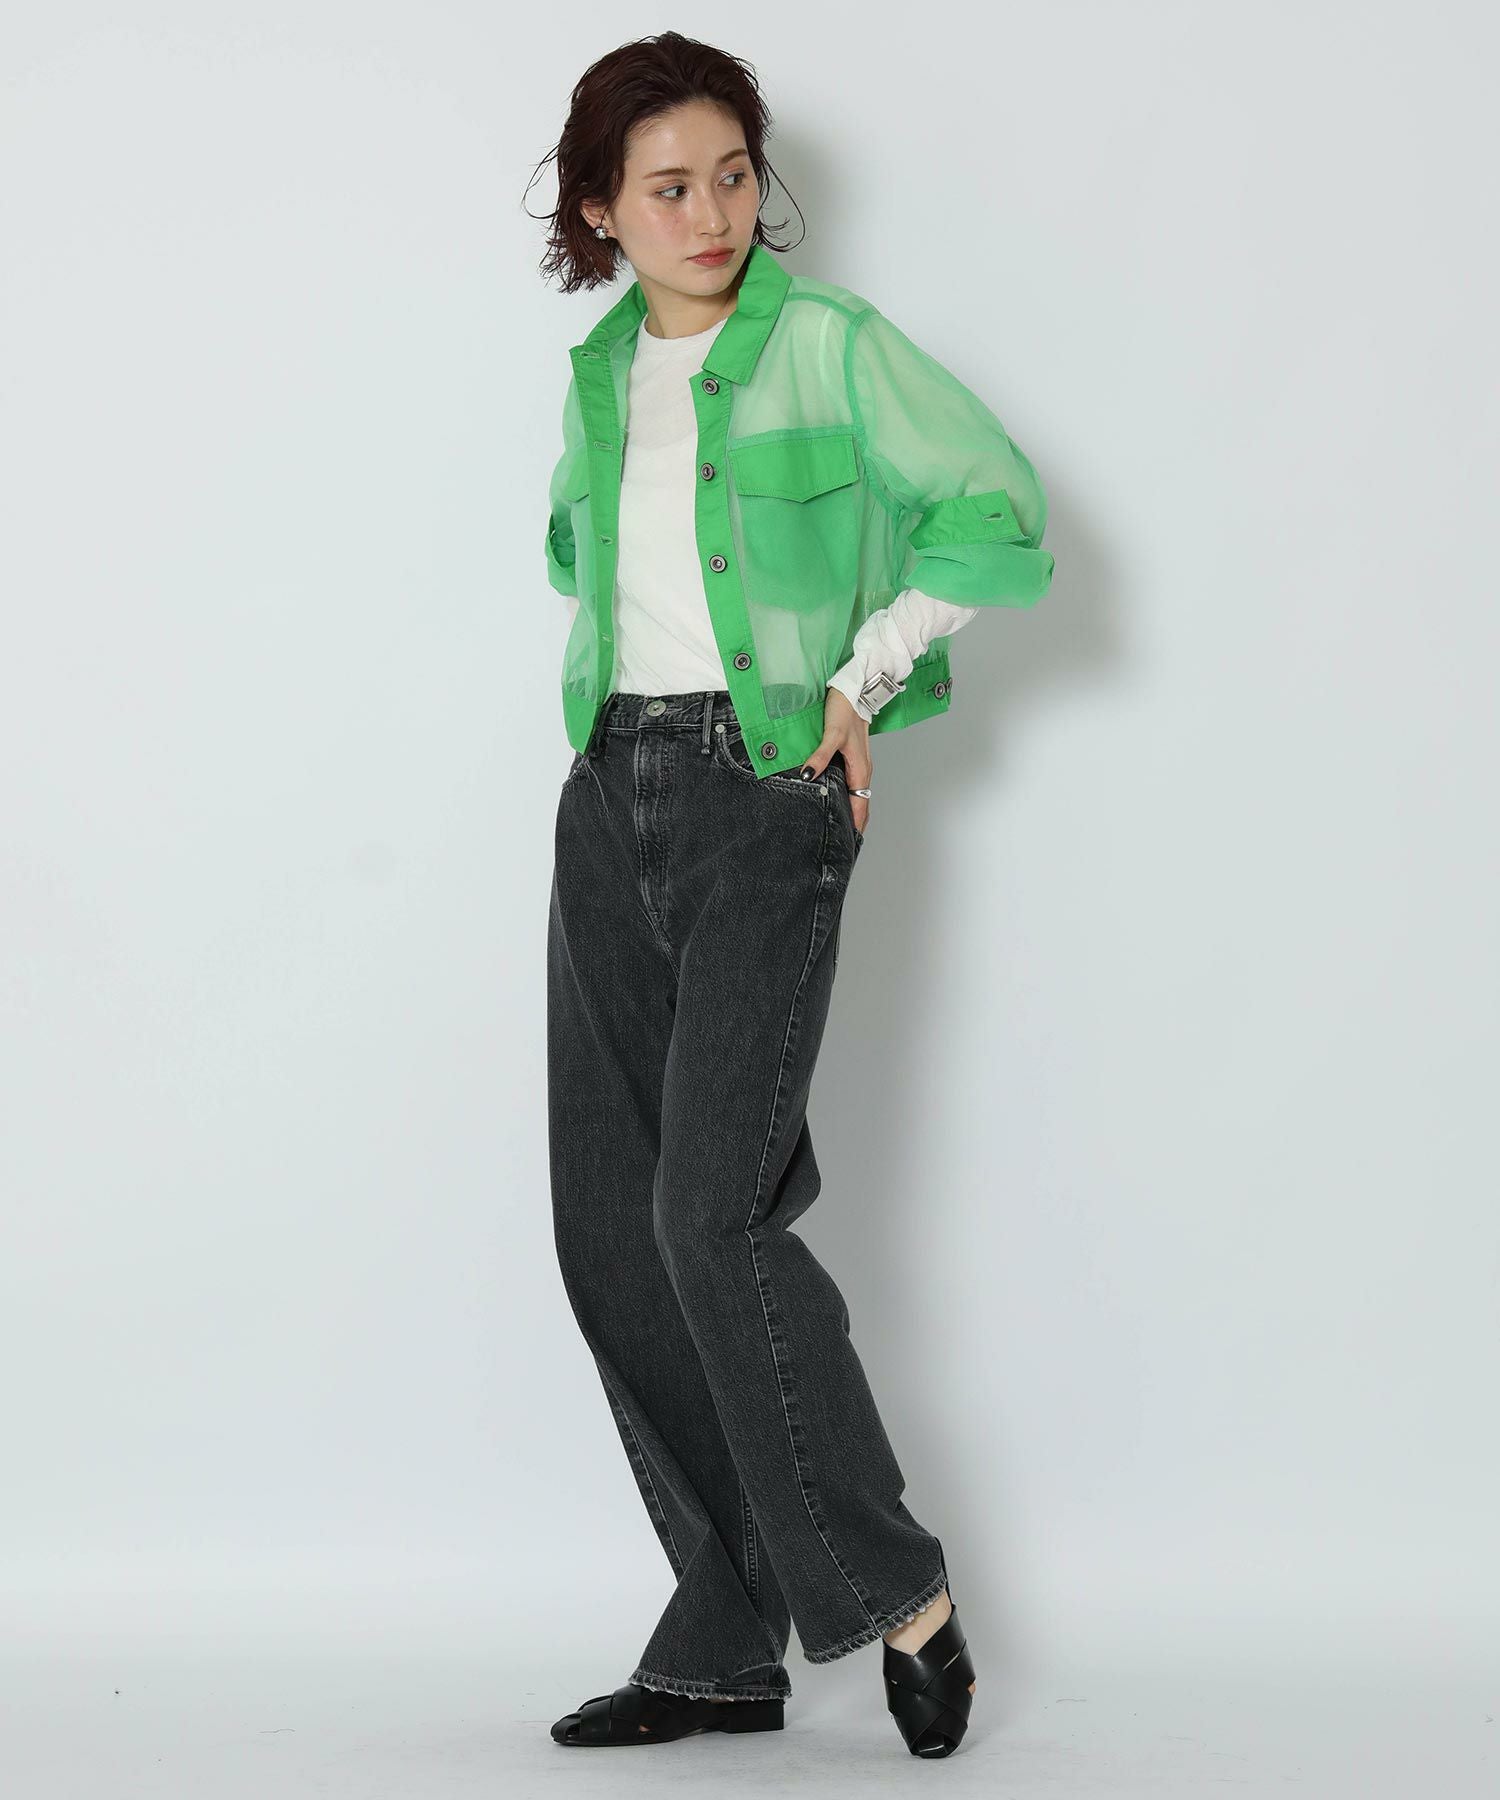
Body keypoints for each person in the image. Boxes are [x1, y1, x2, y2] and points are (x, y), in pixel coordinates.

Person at [531, 30, 1055, 1758]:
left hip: (765, 794)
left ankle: (900, 1592)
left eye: (735, 176)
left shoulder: (830, 346)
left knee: (714, 1215)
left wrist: (865, 674)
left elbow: (995, 510)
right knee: (615, 1230)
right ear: (600, 211)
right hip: (610, 790)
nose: (713, 215)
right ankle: (718, 1645)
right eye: (669, 187)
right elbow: (579, 557)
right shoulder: (600, 376)